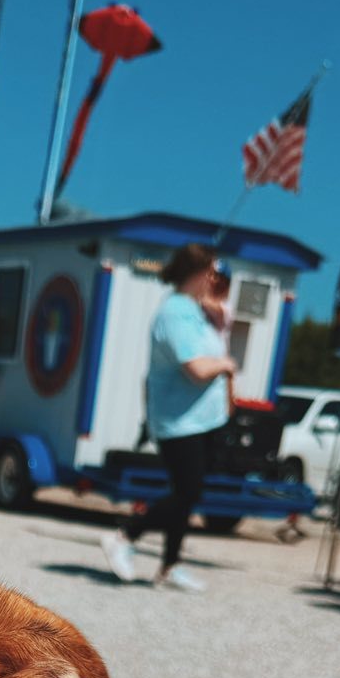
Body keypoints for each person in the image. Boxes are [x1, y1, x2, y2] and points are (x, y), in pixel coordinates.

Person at [101, 243, 236, 591]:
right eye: (211, 272)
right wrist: (225, 364)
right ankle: (125, 536)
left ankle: (170, 566)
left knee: (186, 494)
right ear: (197, 273)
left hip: (201, 419)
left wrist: (219, 322)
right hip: (180, 421)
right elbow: (196, 369)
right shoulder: (175, 313)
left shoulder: (195, 311)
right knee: (188, 491)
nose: (215, 279)